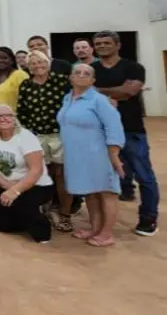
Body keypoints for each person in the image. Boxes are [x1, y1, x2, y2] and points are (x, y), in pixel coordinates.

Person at [91, 30, 159, 237]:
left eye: (106, 42)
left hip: (130, 129)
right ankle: (102, 223)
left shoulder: (133, 67)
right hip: (99, 131)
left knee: (144, 175)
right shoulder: (92, 69)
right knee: (103, 178)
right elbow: (83, 91)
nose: (102, 46)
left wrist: (96, 91)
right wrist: (113, 92)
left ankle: (148, 218)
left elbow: (129, 91)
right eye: (98, 43)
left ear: (117, 45)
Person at [58, 63, 126, 247]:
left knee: (106, 192)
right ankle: (95, 228)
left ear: (93, 80)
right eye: (77, 72)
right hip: (77, 155)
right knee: (90, 192)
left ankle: (107, 233)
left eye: (86, 73)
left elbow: (114, 125)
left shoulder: (99, 100)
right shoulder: (67, 98)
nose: (81, 75)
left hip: (99, 153)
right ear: (71, 77)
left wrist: (114, 153)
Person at [16, 51, 72, 232]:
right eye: (32, 63)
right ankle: (45, 210)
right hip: (37, 136)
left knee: (62, 175)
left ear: (48, 63)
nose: (37, 66)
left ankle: (65, 214)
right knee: (40, 174)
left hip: (60, 135)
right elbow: (22, 111)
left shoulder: (61, 81)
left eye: (40, 62)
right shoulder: (26, 85)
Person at [0, 105, 55, 244]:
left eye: (7, 115)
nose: (3, 119)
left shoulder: (25, 137)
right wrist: (7, 185)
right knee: (1, 225)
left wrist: (15, 191)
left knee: (25, 208)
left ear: (14, 118)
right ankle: (23, 215)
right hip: (8, 183)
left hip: (35, 184)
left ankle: (42, 226)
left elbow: (36, 170)